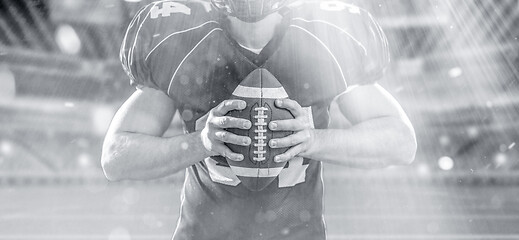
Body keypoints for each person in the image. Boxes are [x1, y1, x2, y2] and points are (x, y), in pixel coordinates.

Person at [101, 0, 417, 239]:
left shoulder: (324, 37)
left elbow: (401, 142)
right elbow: (115, 157)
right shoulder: (183, 41)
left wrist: (314, 140)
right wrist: (201, 143)